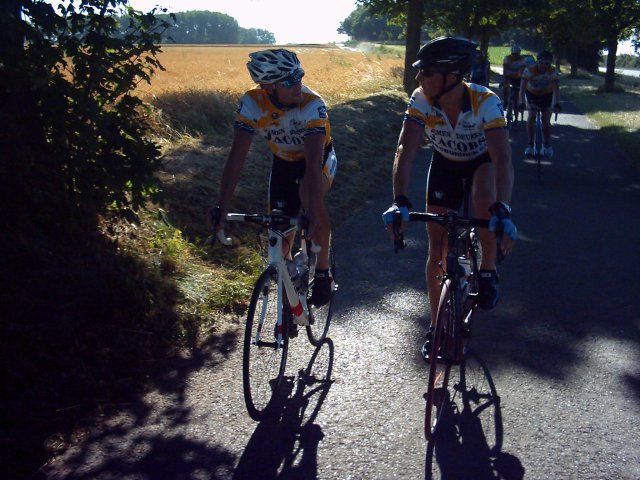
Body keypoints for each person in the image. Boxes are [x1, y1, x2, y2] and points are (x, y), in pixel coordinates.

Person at [381, 36, 517, 359]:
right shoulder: (422, 99)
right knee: (437, 245)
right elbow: (406, 149)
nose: (418, 78)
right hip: (445, 163)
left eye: (425, 71)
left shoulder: (486, 101)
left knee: (484, 193)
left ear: (451, 76)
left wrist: (504, 209)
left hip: (480, 162)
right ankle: (436, 325)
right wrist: (399, 199)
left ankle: (486, 267)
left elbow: (502, 159)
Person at [211, 48, 337, 307]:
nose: (299, 84)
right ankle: (290, 300)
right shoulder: (252, 102)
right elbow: (236, 157)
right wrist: (221, 207)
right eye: (290, 81)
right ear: (268, 87)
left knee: (307, 191)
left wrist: (312, 208)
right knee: (279, 238)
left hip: (318, 160)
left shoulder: (313, 104)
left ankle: (323, 272)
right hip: (283, 162)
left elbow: (313, 164)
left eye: (299, 75)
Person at [519, 50, 561, 157]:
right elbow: (522, 89)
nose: (544, 66)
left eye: (547, 63)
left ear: (550, 64)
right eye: (541, 62)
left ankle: (546, 144)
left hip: (547, 95)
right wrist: (522, 103)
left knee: (546, 120)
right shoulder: (529, 70)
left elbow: (556, 90)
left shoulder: (553, 72)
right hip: (531, 94)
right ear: (537, 62)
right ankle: (530, 145)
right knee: (532, 115)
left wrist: (557, 103)